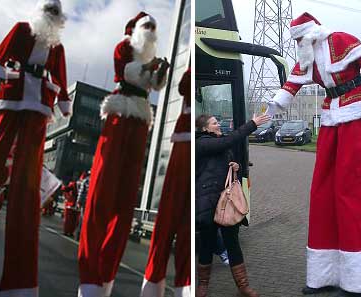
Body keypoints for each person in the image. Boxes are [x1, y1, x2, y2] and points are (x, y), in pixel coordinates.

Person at [263, 12, 361, 295]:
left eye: (299, 39)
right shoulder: (308, 55)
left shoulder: (342, 40)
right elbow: (293, 83)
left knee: (351, 189)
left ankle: (357, 280)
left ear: (311, 34)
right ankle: (323, 275)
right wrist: (273, 107)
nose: (298, 44)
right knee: (323, 191)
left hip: (356, 110)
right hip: (332, 114)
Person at [77, 12, 169, 297]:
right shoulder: (124, 46)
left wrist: (160, 70)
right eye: (148, 27)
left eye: (154, 28)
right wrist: (149, 67)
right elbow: (127, 71)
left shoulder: (149, 55)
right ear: (136, 30)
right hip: (121, 112)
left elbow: (156, 84)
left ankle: (105, 279)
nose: (152, 32)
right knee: (104, 189)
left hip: (141, 119)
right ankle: (91, 279)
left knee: (126, 197)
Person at [0, 0, 71, 295]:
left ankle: (19, 283)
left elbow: (61, 79)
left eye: (55, 12)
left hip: (38, 104)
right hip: (11, 97)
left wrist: (64, 100)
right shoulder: (21, 30)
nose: (51, 16)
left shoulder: (57, 46)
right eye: (48, 10)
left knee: (27, 186)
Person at [195, 113, 271, 297]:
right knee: (206, 245)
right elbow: (227, 142)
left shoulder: (219, 143)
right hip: (208, 203)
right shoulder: (201, 143)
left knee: (233, 244)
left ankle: (243, 287)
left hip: (227, 203)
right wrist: (253, 124)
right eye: (214, 123)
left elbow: (226, 155)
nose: (218, 124)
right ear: (205, 128)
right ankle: (202, 286)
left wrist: (235, 166)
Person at [141, 68, 191, 296]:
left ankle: (160, 284)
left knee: (173, 215)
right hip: (184, 139)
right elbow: (183, 86)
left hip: (184, 138)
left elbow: (182, 86)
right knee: (174, 215)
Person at [75, 171, 90, 241]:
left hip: (85, 202)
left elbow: (81, 192)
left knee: (83, 219)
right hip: (87, 202)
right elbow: (81, 192)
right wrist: (79, 201)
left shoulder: (86, 180)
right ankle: (80, 236)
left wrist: (79, 201)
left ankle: (79, 236)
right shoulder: (87, 180)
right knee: (84, 219)